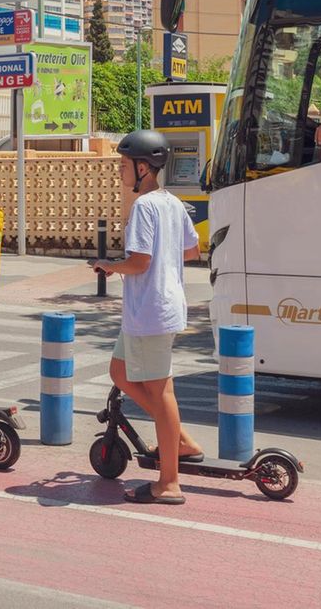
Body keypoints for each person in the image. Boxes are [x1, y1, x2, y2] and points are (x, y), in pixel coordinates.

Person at [91, 130, 204, 505]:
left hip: (151, 309)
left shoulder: (143, 206)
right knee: (120, 373)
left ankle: (169, 482)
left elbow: (140, 262)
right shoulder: (171, 202)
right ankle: (180, 440)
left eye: (124, 165)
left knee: (162, 391)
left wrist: (111, 265)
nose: (120, 172)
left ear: (143, 167)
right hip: (153, 307)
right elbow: (192, 250)